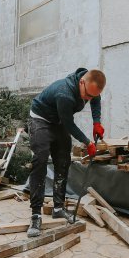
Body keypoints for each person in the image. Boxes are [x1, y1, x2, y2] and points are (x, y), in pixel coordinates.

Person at [26, 68, 106, 237]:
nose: (88, 99)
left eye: (91, 96)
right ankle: (35, 215)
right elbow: (70, 125)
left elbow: (96, 99)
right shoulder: (65, 94)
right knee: (40, 161)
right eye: (87, 95)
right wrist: (87, 142)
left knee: (63, 160)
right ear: (82, 82)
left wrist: (96, 122)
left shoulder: (90, 85)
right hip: (41, 119)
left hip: (59, 120)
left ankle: (58, 208)